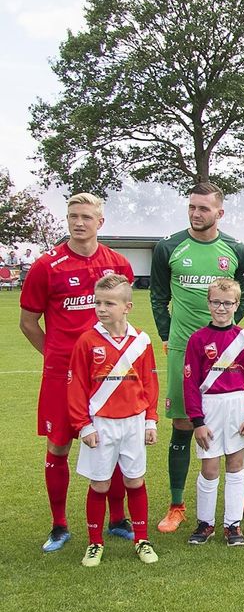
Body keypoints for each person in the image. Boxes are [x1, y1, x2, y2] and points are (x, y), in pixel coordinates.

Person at [19, 192, 135, 553]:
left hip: (107, 373)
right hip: (62, 375)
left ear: (101, 222)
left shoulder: (117, 264)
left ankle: (118, 519)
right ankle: (59, 525)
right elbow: (28, 322)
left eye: (86, 217)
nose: (79, 223)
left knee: (113, 440)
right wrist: (56, 356)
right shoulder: (46, 266)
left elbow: (122, 315)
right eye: (73, 216)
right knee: (59, 445)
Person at [150, 182, 244, 534]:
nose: (196, 213)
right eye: (192, 207)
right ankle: (177, 505)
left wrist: (226, 330)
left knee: (235, 426)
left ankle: (242, 499)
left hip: (227, 352)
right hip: (184, 349)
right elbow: (158, 296)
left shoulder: (235, 248)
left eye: (204, 208)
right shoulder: (168, 247)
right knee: (184, 424)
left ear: (220, 212)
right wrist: (168, 335)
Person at [66, 274, 159, 566]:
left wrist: (151, 420)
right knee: (100, 484)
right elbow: (76, 386)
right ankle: (95, 542)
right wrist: (84, 425)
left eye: (109, 303)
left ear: (127, 307)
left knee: (135, 479)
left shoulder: (141, 341)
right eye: (98, 303)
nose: (101, 309)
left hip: (134, 422)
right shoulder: (87, 341)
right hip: (101, 424)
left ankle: (142, 538)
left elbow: (149, 383)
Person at [182, 278, 244, 546]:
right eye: (216, 302)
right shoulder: (198, 339)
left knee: (236, 464)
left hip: (237, 406)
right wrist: (197, 421)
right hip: (210, 407)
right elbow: (190, 383)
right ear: (208, 303)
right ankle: (205, 523)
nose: (221, 308)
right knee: (210, 467)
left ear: (237, 305)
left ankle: (233, 524)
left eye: (227, 303)